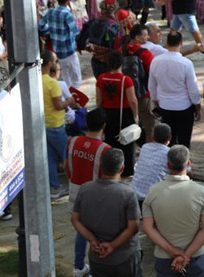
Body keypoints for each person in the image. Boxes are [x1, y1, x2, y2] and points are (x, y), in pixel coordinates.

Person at [143, 145, 204, 277]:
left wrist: (172, 251)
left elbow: (147, 228)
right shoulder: (201, 191)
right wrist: (186, 255)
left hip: (164, 256)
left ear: (168, 165)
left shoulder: (153, 191)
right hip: (195, 256)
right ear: (188, 164)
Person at [71, 149, 141, 277]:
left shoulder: (85, 189)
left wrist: (92, 240)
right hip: (125, 258)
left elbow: (75, 219)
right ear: (122, 168)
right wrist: (112, 246)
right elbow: (134, 227)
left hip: (97, 257)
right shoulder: (128, 193)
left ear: (101, 167)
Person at [64, 108, 110, 277]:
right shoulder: (105, 149)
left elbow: (66, 165)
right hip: (96, 195)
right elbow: (106, 177)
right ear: (104, 126)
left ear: (86, 123)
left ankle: (78, 266)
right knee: (99, 233)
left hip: (76, 190)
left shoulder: (72, 141)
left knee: (82, 231)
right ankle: (97, 267)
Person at [147, 31, 200, 148]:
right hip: (183, 107)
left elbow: (151, 85)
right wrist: (197, 106)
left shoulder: (155, 61)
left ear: (166, 43)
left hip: (165, 106)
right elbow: (192, 88)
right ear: (181, 43)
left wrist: (155, 100)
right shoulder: (186, 63)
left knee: (168, 141)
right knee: (184, 142)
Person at [42, 50, 80, 198]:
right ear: (50, 64)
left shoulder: (36, 80)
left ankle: (54, 187)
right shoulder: (52, 83)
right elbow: (59, 105)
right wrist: (69, 101)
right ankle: (76, 184)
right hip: (56, 125)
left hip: (44, 124)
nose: (57, 64)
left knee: (50, 157)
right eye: (56, 61)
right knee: (68, 155)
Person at [95, 49, 139, 177]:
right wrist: (136, 115)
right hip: (124, 114)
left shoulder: (101, 78)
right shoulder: (126, 80)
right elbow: (133, 100)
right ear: (122, 63)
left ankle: (111, 169)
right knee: (127, 142)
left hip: (107, 113)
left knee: (110, 141)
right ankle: (128, 170)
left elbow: (98, 99)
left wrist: (100, 110)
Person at [38, 0, 81, 90]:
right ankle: (74, 99)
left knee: (66, 77)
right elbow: (75, 31)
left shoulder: (51, 12)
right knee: (76, 79)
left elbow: (41, 25)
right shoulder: (67, 14)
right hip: (70, 51)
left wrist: (51, 31)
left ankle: (68, 97)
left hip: (58, 52)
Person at [132, 123, 172, 202]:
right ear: (170, 138)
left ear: (152, 137)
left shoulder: (145, 147)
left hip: (134, 194)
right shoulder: (170, 153)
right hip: (153, 199)